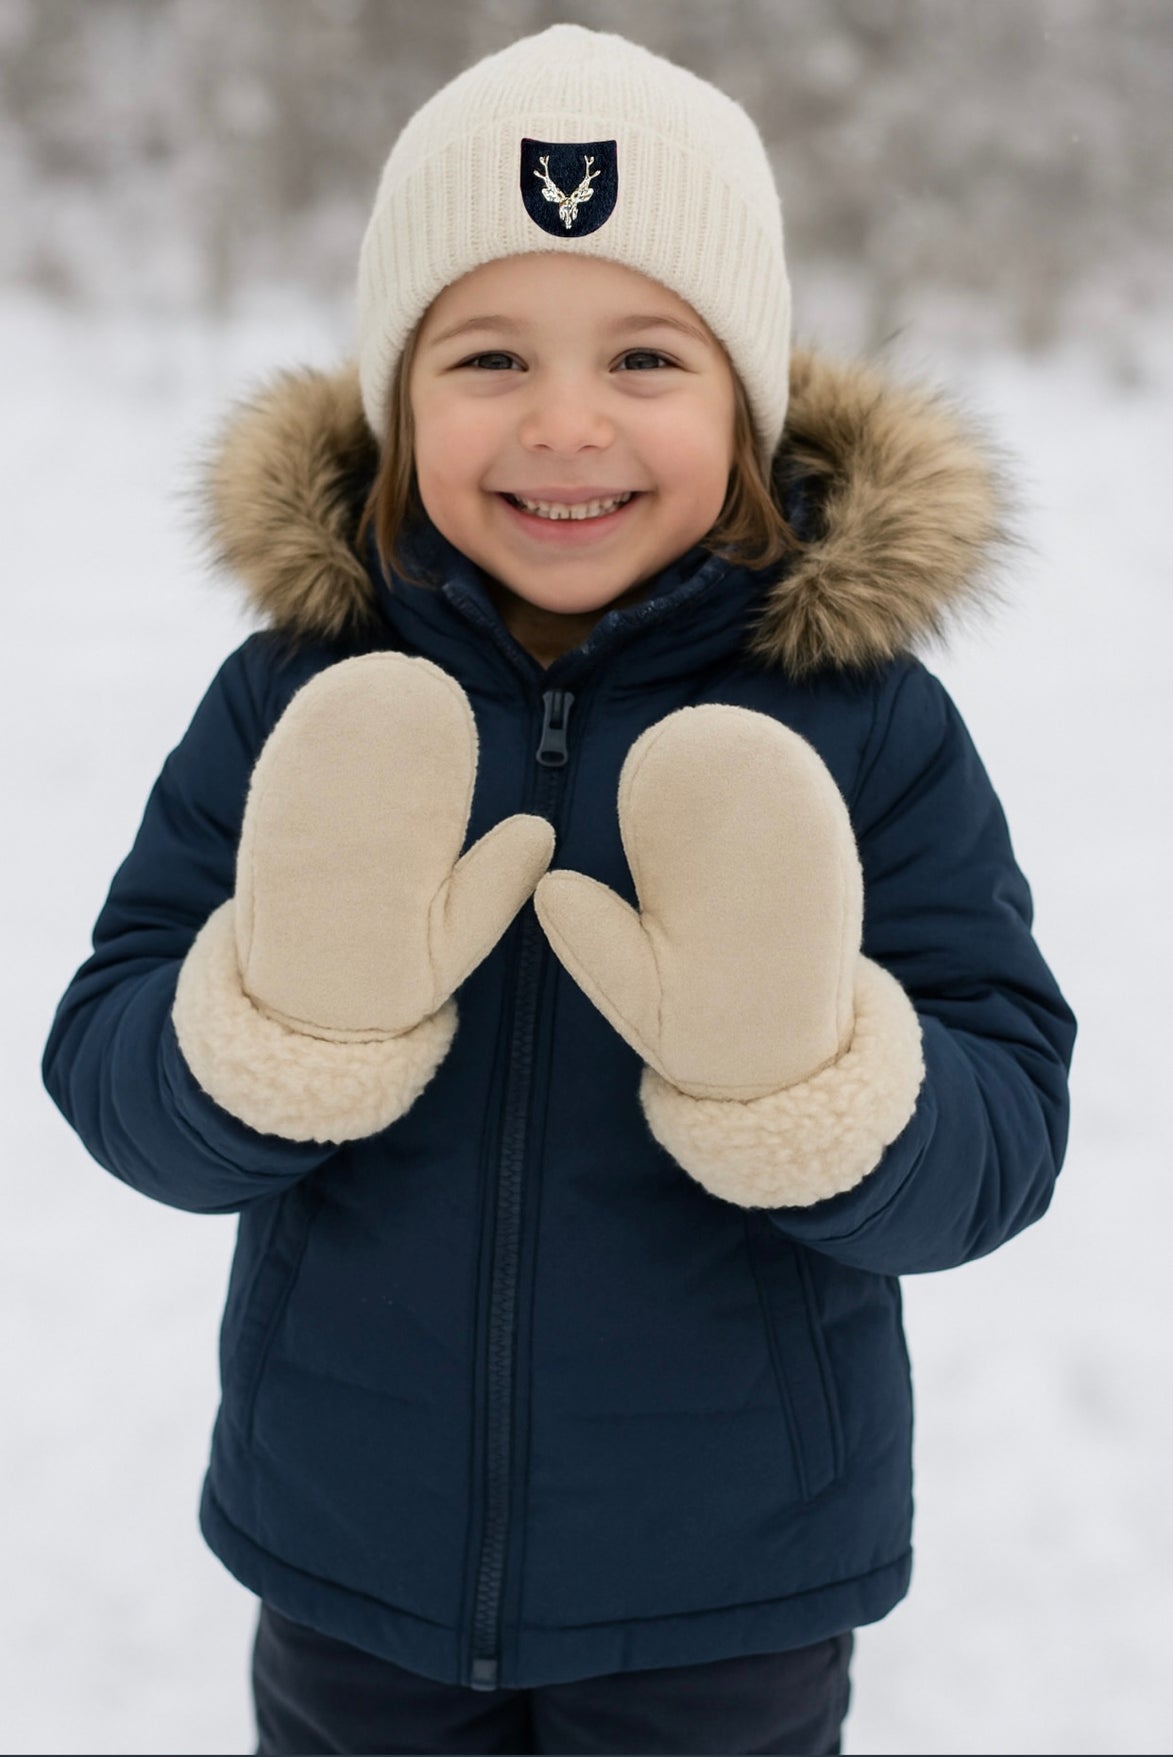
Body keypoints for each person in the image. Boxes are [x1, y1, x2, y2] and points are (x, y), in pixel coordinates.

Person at [41, 22, 1076, 1757]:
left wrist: (815, 1090)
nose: (565, 422)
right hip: (348, 1554)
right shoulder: (301, 693)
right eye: (490, 355)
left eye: (647, 355)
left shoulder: (856, 717)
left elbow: (1005, 1123)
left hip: (726, 1587)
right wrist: (271, 1030)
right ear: (394, 402)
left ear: (743, 398)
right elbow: (116, 1069)